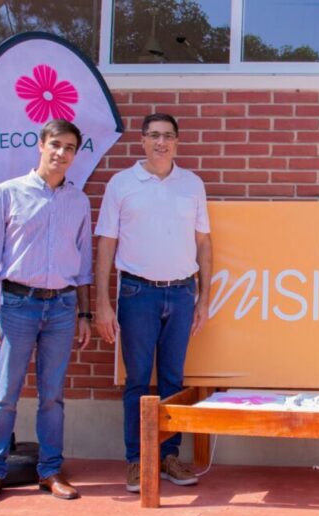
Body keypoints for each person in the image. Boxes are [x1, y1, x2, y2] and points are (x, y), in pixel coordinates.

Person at [0, 119, 92, 506]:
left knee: (52, 396)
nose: (61, 153)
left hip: (62, 308)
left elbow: (84, 267)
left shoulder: (79, 201)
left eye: (69, 147)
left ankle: (50, 471)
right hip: (18, 306)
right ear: (41, 145)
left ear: (75, 154)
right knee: (6, 393)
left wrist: (85, 315)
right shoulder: (8, 193)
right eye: (55, 144)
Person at [94, 112, 212, 493]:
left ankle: (169, 456)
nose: (161, 143)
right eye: (154, 135)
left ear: (177, 142)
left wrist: (204, 298)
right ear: (142, 140)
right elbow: (106, 244)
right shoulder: (121, 184)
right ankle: (138, 460)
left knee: (174, 380)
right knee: (139, 381)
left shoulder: (192, 184)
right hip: (137, 294)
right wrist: (101, 302)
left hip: (181, 293)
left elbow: (203, 243)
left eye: (168, 136)